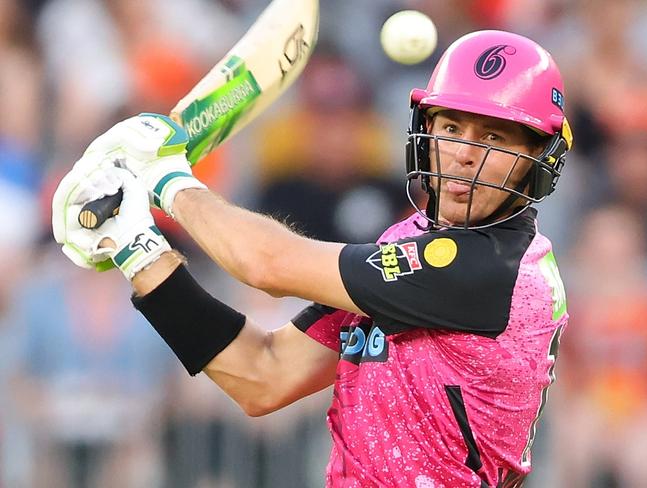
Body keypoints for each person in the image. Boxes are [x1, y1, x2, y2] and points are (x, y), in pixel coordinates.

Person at [52, 30, 573, 487]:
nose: (464, 153)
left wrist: (165, 180)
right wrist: (137, 248)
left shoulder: (494, 271)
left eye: (492, 137)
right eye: (451, 128)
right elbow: (264, 373)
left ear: (537, 161)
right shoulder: (413, 243)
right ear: (425, 131)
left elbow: (268, 266)